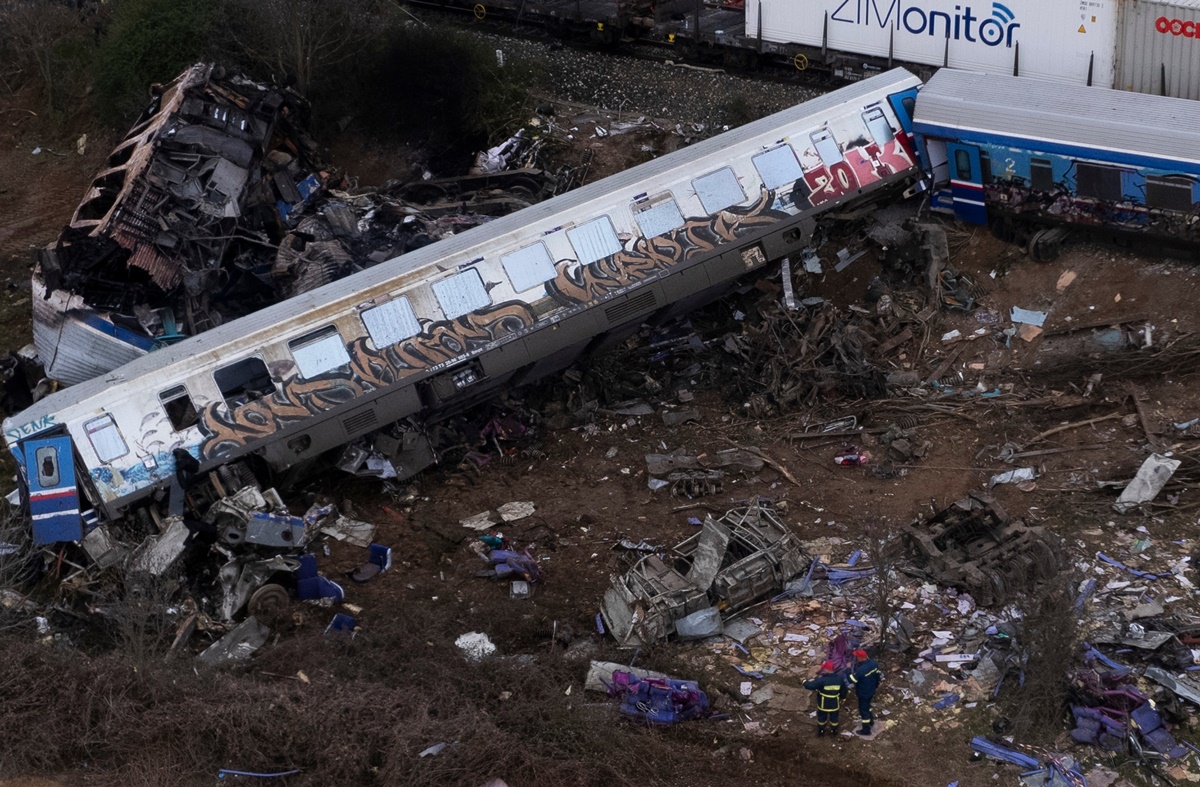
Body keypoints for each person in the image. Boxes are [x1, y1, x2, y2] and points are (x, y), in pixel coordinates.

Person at [804, 661, 846, 737]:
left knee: (822, 717)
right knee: (834, 718)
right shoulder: (839, 679)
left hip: (823, 703)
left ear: (827, 669)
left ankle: (821, 731)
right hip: (834, 703)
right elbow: (843, 691)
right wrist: (842, 698)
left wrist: (804, 682)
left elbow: (810, 686)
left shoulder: (822, 680)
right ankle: (834, 731)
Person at [849, 649, 882, 736]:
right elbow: (878, 675)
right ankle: (871, 721)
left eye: (857, 657)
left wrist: (848, 671)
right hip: (871, 689)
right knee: (867, 706)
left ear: (860, 658)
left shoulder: (861, 670)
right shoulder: (873, 663)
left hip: (863, 692)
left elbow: (853, 680)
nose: (855, 658)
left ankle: (866, 730)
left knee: (864, 710)